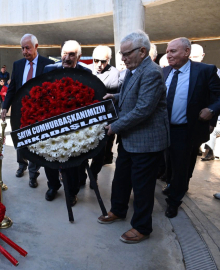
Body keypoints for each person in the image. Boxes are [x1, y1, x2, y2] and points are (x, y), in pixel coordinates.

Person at [97, 30, 169, 244]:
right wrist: (116, 96)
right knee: (121, 178)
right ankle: (118, 210)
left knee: (142, 187)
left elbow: (143, 109)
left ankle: (142, 227)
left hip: (147, 141)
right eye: (121, 54)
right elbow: (131, 93)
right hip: (130, 138)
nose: (123, 58)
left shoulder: (152, 72)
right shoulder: (133, 68)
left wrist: (114, 127)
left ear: (142, 51)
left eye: (126, 54)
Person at [161, 37, 220, 218]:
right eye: (167, 51)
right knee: (167, 163)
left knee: (181, 166)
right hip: (163, 129)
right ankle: (173, 185)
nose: (168, 55)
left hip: (186, 129)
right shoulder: (164, 72)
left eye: (173, 51)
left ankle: (174, 201)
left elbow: (218, 97)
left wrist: (211, 110)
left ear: (187, 52)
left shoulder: (205, 71)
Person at [1, 33, 54, 188]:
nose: (24, 51)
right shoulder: (18, 65)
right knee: (20, 139)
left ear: (36, 47)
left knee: (34, 142)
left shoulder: (47, 64)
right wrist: (5, 107)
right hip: (20, 111)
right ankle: (21, 164)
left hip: (39, 113)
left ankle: (33, 173)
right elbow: (11, 89)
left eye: (27, 48)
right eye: (22, 48)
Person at [43, 40, 92, 205]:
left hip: (75, 127)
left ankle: (72, 192)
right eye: (65, 53)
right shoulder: (48, 70)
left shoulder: (86, 73)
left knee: (72, 163)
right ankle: (53, 186)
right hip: (51, 124)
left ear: (78, 56)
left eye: (72, 54)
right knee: (49, 159)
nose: (67, 57)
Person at [87, 45, 121, 168]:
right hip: (84, 118)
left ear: (109, 59)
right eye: (96, 60)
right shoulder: (85, 69)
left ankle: (94, 174)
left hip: (103, 119)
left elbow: (116, 99)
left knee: (100, 152)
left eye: (103, 61)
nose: (99, 64)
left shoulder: (114, 74)